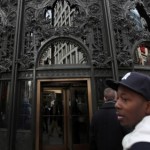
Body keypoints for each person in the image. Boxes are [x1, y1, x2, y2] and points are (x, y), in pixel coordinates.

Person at [106, 71, 150, 150]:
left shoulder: (142, 145)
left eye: (125, 99)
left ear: (148, 107)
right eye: (117, 98)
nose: (116, 105)